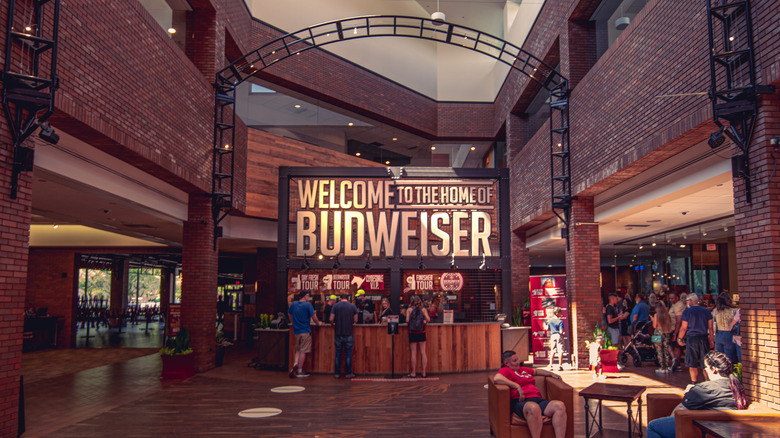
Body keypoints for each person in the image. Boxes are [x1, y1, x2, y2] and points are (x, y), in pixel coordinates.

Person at [646, 351, 746, 438]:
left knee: (653, 426)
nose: (704, 370)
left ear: (713, 369)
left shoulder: (702, 389)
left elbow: (677, 415)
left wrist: (688, 395)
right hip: (727, 429)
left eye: (705, 367)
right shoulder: (737, 387)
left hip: (703, 429)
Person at [493, 350, 568, 438]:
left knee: (559, 405)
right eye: (514, 361)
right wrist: (517, 386)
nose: (518, 362)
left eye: (518, 360)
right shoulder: (506, 370)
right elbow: (497, 378)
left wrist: (552, 374)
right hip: (521, 402)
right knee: (533, 407)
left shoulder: (523, 370)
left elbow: (536, 371)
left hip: (537, 400)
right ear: (507, 363)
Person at [676, 293, 714, 383]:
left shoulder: (687, 312)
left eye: (687, 300)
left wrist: (679, 338)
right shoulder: (707, 311)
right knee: (705, 362)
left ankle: (694, 382)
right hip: (703, 338)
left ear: (690, 301)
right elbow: (710, 328)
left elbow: (684, 327)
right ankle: (707, 381)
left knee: (692, 363)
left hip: (692, 338)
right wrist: (711, 340)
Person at [287, 290, 322, 378]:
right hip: (305, 330)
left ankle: (295, 363)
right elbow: (313, 317)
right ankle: (299, 370)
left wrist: (292, 322)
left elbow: (289, 313)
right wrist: (319, 323)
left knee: (298, 349)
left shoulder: (293, 304)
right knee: (303, 351)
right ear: (305, 296)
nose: (308, 297)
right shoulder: (308, 305)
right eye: (308, 296)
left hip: (296, 331)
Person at [330, 294, 358, 378]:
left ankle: (337, 373)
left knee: (338, 353)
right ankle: (348, 373)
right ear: (347, 299)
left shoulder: (335, 306)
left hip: (338, 333)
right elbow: (356, 320)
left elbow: (331, 319)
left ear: (340, 298)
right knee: (348, 353)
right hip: (349, 332)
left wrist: (333, 324)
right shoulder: (352, 306)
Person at [405, 295, 430, 378]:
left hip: (412, 332)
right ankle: (424, 373)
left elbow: (407, 320)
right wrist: (424, 321)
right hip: (421, 332)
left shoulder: (409, 309)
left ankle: (413, 373)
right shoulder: (423, 309)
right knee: (423, 352)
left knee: (413, 353)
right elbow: (428, 319)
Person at [711, 294, 738, 365]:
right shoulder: (733, 311)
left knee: (720, 359)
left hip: (719, 334)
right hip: (729, 334)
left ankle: (721, 374)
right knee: (729, 359)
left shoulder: (715, 311)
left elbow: (713, 323)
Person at [651, 301, 674, 373]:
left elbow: (655, 326)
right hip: (666, 332)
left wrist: (652, 320)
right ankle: (667, 366)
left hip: (658, 333)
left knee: (659, 351)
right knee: (666, 350)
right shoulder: (667, 314)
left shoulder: (656, 315)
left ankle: (662, 367)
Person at [667, 292, 686, 371]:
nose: (670, 300)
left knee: (676, 346)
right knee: (673, 345)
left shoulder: (679, 306)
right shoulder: (674, 305)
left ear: (677, 298)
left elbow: (679, 321)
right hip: (672, 328)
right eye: (670, 298)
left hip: (676, 329)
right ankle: (676, 363)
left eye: (672, 298)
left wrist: (675, 333)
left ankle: (677, 364)